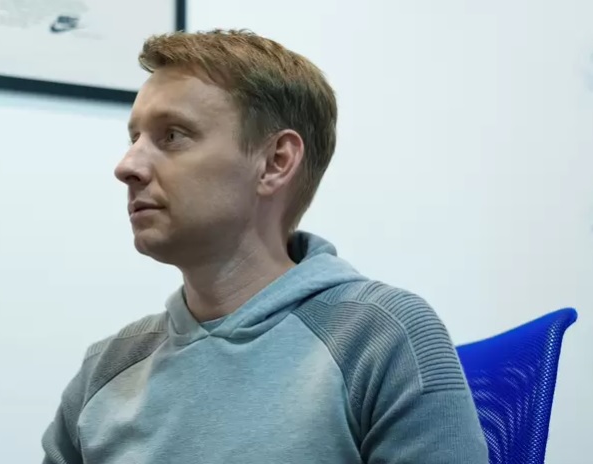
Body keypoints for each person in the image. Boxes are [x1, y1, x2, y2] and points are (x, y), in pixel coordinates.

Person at [40, 28, 489, 463]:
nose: (127, 165)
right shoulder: (106, 369)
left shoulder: (380, 338)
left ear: (275, 162)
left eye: (172, 135)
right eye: (133, 138)